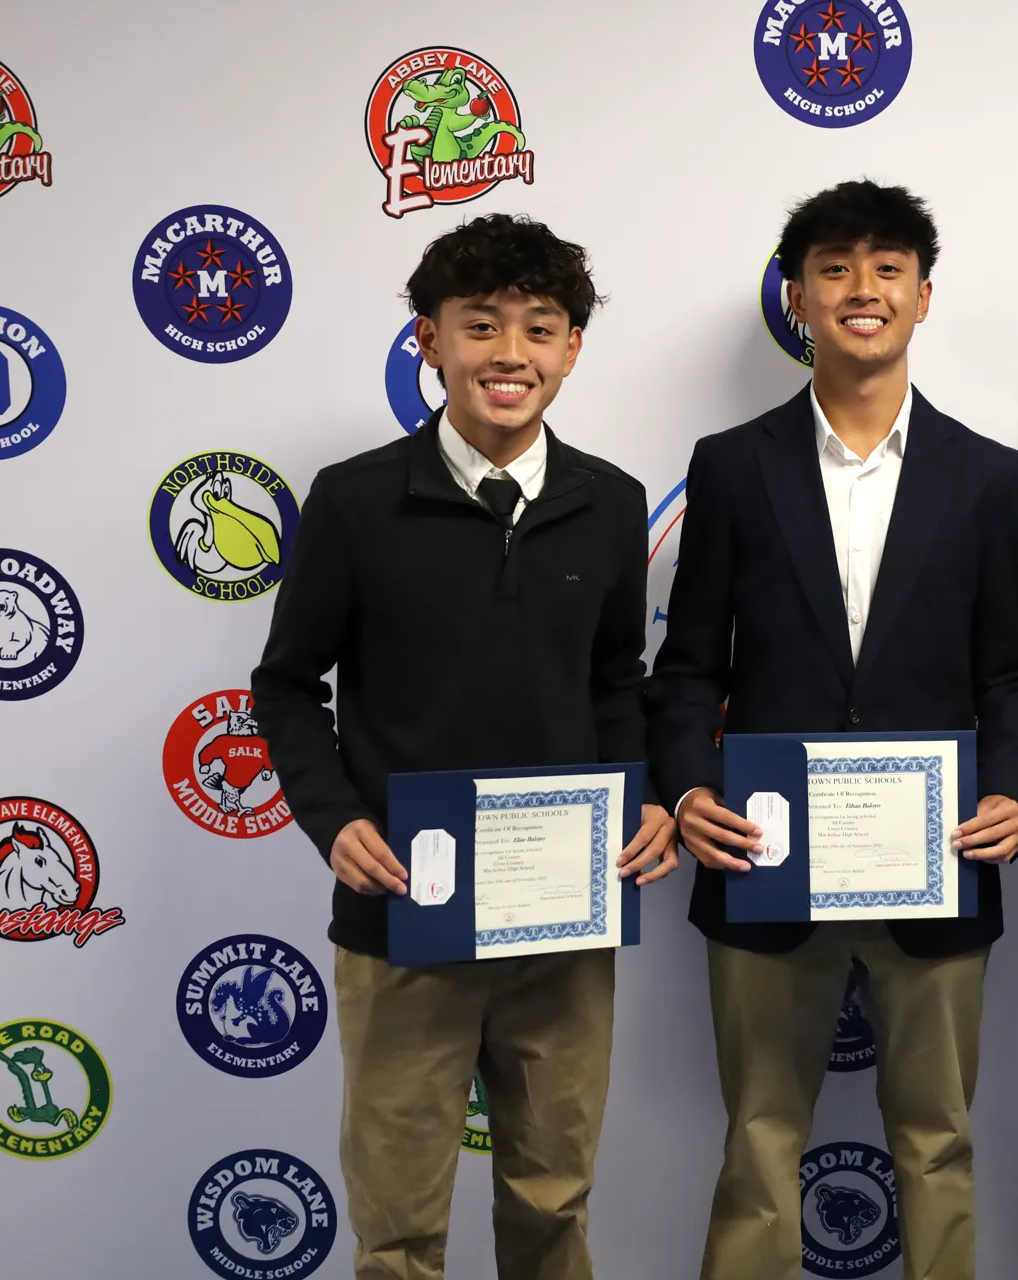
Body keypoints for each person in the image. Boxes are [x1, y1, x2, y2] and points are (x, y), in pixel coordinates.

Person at [250, 213, 678, 1280]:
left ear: (572, 348)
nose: (510, 353)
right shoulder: (355, 500)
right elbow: (288, 686)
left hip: (561, 920)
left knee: (551, 1197)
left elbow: (614, 683)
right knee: (397, 1221)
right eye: (479, 324)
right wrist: (335, 816)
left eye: (540, 329)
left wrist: (645, 800)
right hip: (403, 913)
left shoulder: (610, 502)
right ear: (429, 340)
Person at [645, 180, 1018, 1280]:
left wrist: (1010, 785)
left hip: (939, 857)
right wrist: (686, 792)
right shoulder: (731, 464)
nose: (861, 288)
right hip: (764, 859)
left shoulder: (983, 472)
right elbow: (689, 668)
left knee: (937, 1140)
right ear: (798, 297)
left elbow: (1009, 672)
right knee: (761, 1139)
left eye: (886, 270)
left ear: (923, 297)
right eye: (834, 267)